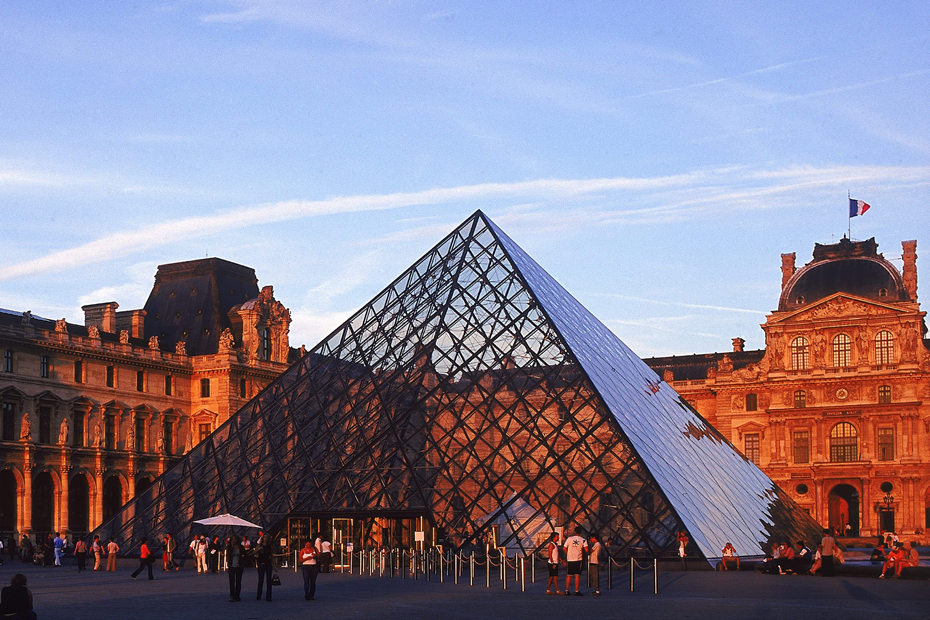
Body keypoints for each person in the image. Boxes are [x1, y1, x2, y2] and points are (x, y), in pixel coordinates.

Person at [563, 526, 586, 596]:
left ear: (575, 531)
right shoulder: (583, 540)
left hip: (570, 559)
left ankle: (567, 590)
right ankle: (576, 591)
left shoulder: (569, 539)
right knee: (577, 575)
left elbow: (564, 548)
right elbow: (586, 549)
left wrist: (568, 554)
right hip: (578, 559)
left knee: (569, 575)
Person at [254, 532, 276, 602]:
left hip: (268, 564)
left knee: (269, 580)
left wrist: (274, 565)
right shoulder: (259, 545)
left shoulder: (270, 546)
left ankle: (268, 596)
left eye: (267, 537)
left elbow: (271, 556)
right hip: (261, 564)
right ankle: (259, 594)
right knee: (261, 580)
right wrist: (258, 550)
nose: (265, 539)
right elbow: (254, 553)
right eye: (265, 537)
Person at [226, 537, 244, 602]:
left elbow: (244, 554)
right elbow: (228, 555)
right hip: (231, 566)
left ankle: (237, 595)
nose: (234, 541)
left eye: (235, 540)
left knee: (238, 581)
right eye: (233, 540)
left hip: (239, 566)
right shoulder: (230, 547)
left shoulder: (241, 547)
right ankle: (232, 595)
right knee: (232, 581)